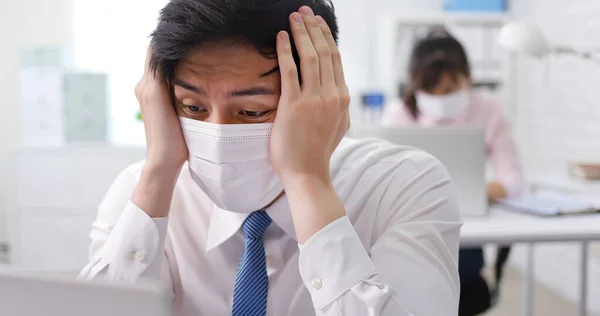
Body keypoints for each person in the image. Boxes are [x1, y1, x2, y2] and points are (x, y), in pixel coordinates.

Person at [80, 1, 461, 315]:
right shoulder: (141, 190)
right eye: (193, 107)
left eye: (252, 112)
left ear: (322, 98)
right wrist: (160, 170)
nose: (217, 135)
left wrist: (305, 179)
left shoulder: (404, 184)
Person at [383, 29, 525, 315]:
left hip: (464, 233)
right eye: (430, 89)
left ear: (468, 77)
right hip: (408, 231)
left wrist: (473, 194)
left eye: (449, 89)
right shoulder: (398, 115)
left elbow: (513, 180)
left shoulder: (489, 110)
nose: (440, 97)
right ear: (414, 85)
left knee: (458, 282)